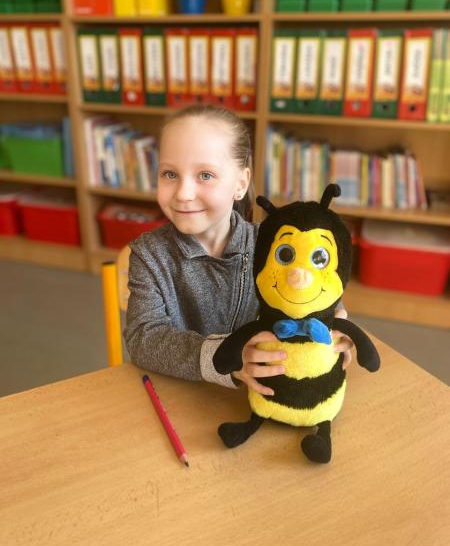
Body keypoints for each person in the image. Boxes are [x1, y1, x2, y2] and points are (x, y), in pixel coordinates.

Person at [125, 105, 351, 396]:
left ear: (241, 184)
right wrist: (228, 356)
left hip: (266, 396)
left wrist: (336, 323)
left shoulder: (274, 247)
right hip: (180, 395)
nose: (183, 193)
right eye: (170, 174)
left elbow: (320, 297)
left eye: (205, 175)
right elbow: (143, 339)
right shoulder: (149, 255)